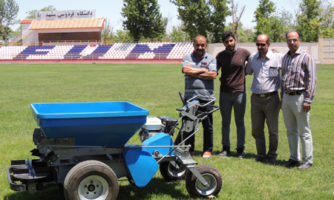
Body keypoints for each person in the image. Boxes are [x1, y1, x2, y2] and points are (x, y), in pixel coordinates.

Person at [281, 31, 316, 170]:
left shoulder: (306, 57)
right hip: (287, 97)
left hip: (300, 97)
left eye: (294, 40)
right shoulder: (285, 58)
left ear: (299, 40)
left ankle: (308, 160)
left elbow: (312, 79)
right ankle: (294, 158)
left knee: (304, 131)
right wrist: (281, 97)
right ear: (287, 41)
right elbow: (283, 77)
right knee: (290, 130)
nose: (292, 42)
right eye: (289, 40)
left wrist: (308, 99)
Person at [179, 35, 218, 158]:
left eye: (202, 45)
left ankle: (207, 150)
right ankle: (189, 149)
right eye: (197, 45)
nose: (200, 47)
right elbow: (186, 70)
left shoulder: (211, 59)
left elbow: (213, 75)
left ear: (206, 45)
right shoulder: (187, 57)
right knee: (188, 124)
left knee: (208, 125)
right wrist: (203, 70)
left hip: (206, 98)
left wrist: (194, 72)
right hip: (190, 97)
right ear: (193, 45)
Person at [245, 34, 281, 163]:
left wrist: (305, 52)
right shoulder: (252, 58)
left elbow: (291, 62)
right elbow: (246, 71)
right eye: (258, 44)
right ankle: (261, 154)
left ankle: (272, 154)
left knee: (273, 129)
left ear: (269, 44)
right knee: (256, 129)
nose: (260, 47)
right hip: (256, 99)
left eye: (263, 44)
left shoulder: (278, 57)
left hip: (272, 98)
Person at [216, 31, 250, 158]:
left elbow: (256, 59)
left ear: (235, 40)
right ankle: (226, 148)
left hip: (239, 92)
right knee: (225, 122)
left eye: (231, 40)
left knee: (239, 122)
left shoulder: (244, 53)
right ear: (223, 43)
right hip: (224, 93)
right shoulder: (220, 56)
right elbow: (214, 70)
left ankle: (240, 149)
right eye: (226, 42)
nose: (229, 43)